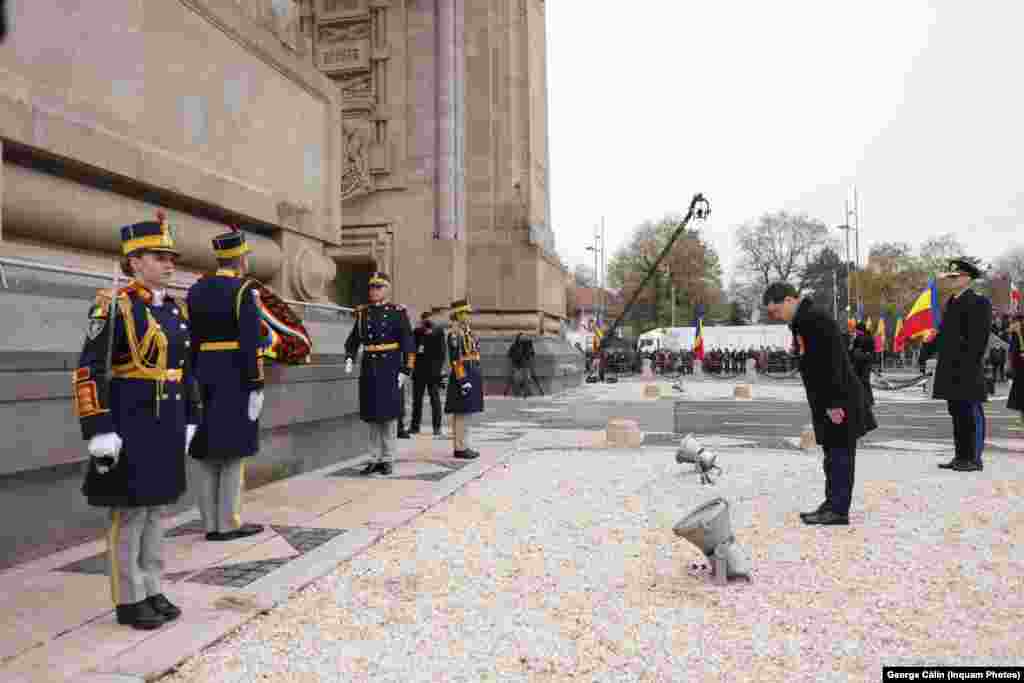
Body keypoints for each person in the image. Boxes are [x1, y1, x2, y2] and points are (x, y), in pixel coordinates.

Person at [76, 213, 198, 629]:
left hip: (165, 424)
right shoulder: (112, 305)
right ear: (133, 261)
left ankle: (152, 587)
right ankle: (128, 599)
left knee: (155, 511)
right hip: (129, 425)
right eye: (158, 256)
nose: (169, 263)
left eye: (170, 257)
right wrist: (98, 428)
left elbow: (185, 368)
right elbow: (89, 370)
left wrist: (190, 418)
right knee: (129, 514)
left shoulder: (174, 310)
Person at [763, 282, 877, 526]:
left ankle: (838, 510)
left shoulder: (812, 319)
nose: (775, 316)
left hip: (838, 399)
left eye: (775, 310)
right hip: (830, 399)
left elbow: (831, 362)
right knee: (832, 455)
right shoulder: (805, 319)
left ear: (789, 300)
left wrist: (834, 403)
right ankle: (831, 504)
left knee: (840, 455)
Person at [186, 228, 266, 541]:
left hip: (203, 373)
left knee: (207, 452)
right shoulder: (243, 290)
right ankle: (229, 523)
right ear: (241, 258)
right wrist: (256, 382)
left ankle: (209, 523)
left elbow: (191, 338)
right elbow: (249, 342)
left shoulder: (197, 289)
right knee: (233, 453)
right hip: (234, 375)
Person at [922, 259, 992, 472]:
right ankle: (961, 456)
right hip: (951, 367)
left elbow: (979, 339)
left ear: (967, 278)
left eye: (956, 276)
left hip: (967, 369)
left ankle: (973, 458)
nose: (952, 280)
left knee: (969, 414)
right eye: (950, 277)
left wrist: (968, 365)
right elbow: (946, 335)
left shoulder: (978, 301)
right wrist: (929, 345)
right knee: (957, 414)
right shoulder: (952, 302)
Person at [344, 272, 415, 475]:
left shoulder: (397, 312)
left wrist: (405, 369)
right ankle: (374, 457)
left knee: (389, 416)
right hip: (369, 368)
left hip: (390, 368)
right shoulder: (363, 314)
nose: (374, 291)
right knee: (372, 415)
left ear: (387, 289)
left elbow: (408, 343)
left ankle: (388, 457)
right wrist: (349, 357)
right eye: (372, 287)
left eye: (378, 287)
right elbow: (353, 340)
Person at [445, 299, 483, 460]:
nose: (468, 315)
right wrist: (462, 380)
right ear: (458, 315)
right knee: (461, 414)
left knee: (467, 414)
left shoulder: (468, 332)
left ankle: (464, 445)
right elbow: (455, 360)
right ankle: (460, 447)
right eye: (465, 313)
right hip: (463, 375)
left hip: (471, 373)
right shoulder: (455, 334)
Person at [410, 311, 446, 437]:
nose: (426, 323)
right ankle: (415, 427)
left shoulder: (438, 332)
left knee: (435, 400)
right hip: (419, 371)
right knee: (417, 401)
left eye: (428, 321)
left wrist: (439, 370)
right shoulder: (417, 333)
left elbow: (442, 353)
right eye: (424, 321)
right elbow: (412, 350)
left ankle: (437, 427)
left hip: (433, 372)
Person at [849, 321, 875, 406]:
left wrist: (862, 354)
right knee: (857, 381)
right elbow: (853, 350)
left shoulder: (868, 338)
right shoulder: (857, 338)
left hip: (865, 363)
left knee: (864, 381)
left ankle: (869, 400)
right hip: (858, 363)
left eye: (856, 330)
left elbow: (870, 352)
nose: (855, 331)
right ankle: (859, 399)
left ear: (860, 330)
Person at [1006, 314, 1023, 427]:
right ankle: (1021, 418)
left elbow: (1013, 351)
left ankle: (1022, 418)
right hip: (1019, 367)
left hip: (1020, 368)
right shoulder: (1017, 332)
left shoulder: (1017, 333)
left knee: (1021, 396)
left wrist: (1010, 365)